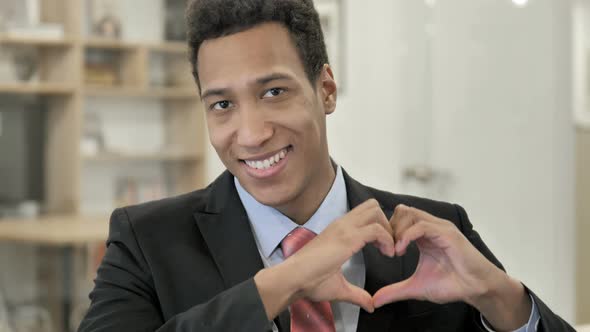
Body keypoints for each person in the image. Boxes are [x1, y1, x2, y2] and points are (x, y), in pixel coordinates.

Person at [78, 0, 575, 331]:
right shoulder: (145, 240)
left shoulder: (436, 232)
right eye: (222, 105)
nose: (251, 134)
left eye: (274, 92)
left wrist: (502, 298)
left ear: (326, 89)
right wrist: (284, 282)